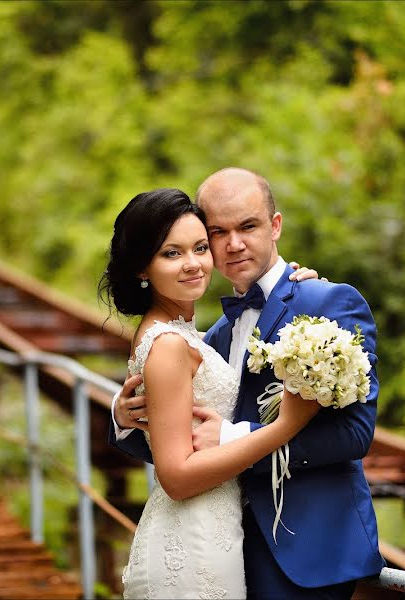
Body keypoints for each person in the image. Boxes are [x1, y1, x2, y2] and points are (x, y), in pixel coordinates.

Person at [111, 168, 384, 599]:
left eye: (248, 226)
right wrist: (124, 415)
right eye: (218, 232)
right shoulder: (215, 334)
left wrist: (233, 435)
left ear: (275, 226)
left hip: (303, 547)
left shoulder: (327, 303)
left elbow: (355, 433)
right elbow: (180, 440)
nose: (234, 243)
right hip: (225, 545)